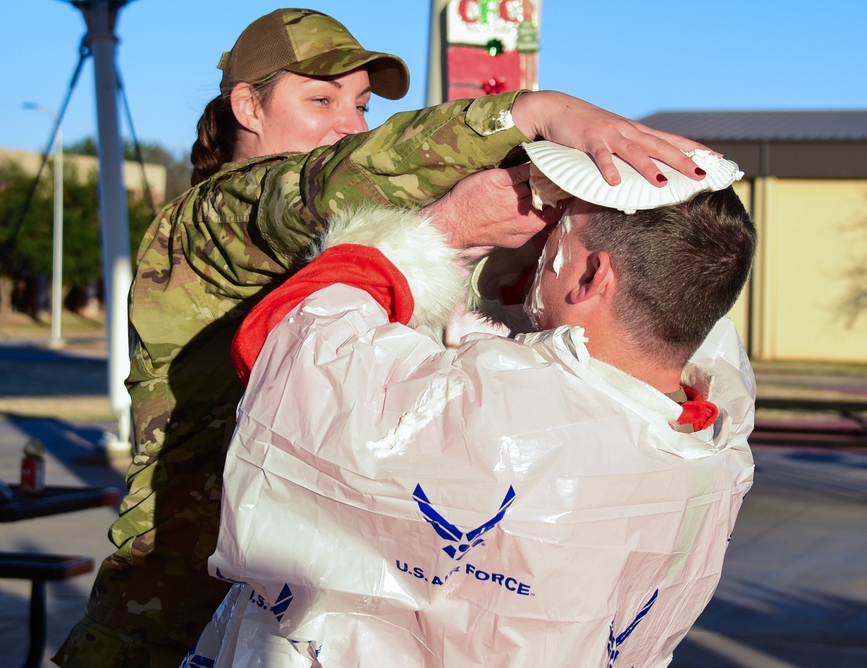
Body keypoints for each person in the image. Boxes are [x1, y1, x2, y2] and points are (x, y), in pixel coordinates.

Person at [54, 7, 717, 665]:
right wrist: (532, 113)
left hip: (288, 616)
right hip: (168, 621)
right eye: (321, 99)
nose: (350, 123)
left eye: (363, 104)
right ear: (247, 107)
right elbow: (325, 185)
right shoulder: (214, 219)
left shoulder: (356, 244)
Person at [184, 146, 758, 667]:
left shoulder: (486, 413)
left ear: (591, 275)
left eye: (560, 237)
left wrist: (446, 230)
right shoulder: (715, 453)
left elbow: (291, 344)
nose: (544, 247)